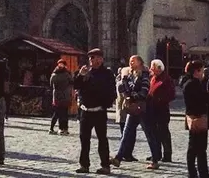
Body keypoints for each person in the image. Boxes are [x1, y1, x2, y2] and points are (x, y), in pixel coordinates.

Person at [74, 47, 116, 175]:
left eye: (95, 58)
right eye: (91, 58)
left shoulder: (107, 73)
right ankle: (84, 165)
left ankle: (105, 166)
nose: (92, 60)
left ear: (101, 59)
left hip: (99, 111)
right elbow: (76, 86)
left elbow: (111, 92)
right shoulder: (86, 72)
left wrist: (105, 104)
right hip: (85, 111)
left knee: (102, 139)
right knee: (84, 139)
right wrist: (80, 76)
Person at [112, 55, 151, 166]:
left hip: (141, 109)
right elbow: (125, 89)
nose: (130, 63)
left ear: (139, 62)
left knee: (149, 134)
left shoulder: (144, 75)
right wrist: (124, 86)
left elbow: (144, 92)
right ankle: (118, 158)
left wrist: (132, 96)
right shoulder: (130, 75)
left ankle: (155, 159)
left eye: (132, 61)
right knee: (126, 134)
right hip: (131, 109)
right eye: (129, 61)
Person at [183, 61, 209, 178]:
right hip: (197, 117)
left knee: (197, 148)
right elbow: (199, 99)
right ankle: (196, 172)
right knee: (196, 148)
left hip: (195, 116)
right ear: (197, 71)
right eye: (202, 70)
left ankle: (199, 172)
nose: (203, 73)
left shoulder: (193, 83)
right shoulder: (192, 84)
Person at [144, 58, 175, 168]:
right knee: (155, 133)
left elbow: (171, 94)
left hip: (162, 109)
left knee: (163, 132)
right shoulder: (153, 78)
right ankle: (156, 154)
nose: (151, 68)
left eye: (153, 67)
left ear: (158, 68)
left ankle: (167, 154)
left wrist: (160, 99)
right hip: (152, 109)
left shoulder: (166, 79)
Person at [50, 59, 74, 136]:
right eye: (59, 64)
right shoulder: (57, 74)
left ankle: (64, 128)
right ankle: (58, 128)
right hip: (59, 96)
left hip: (64, 96)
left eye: (62, 64)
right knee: (59, 113)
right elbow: (51, 84)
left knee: (63, 113)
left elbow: (71, 82)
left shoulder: (65, 73)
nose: (60, 65)